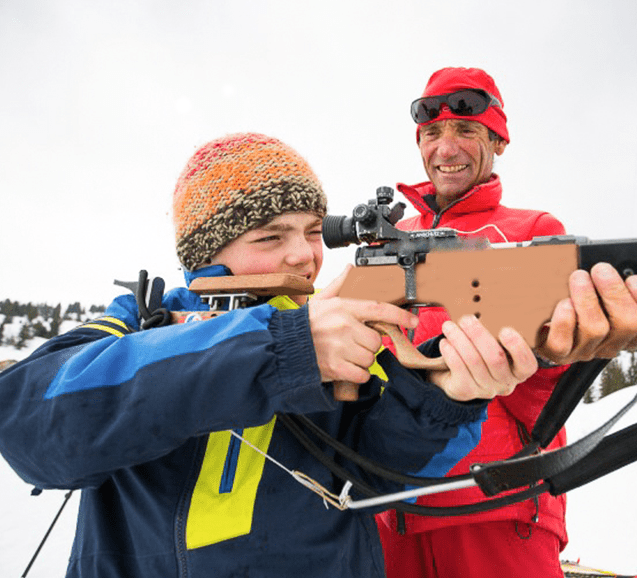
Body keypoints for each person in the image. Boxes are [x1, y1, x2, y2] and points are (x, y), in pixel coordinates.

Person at [0, 133, 541, 578]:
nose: (303, 255)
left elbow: (382, 476)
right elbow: (32, 425)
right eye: (269, 236)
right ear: (206, 251)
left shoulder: (341, 326)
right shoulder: (142, 321)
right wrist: (285, 347)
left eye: (312, 232)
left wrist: (446, 394)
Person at [376, 68, 637, 578]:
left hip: (495, 503)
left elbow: (544, 397)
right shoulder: (388, 240)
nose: (446, 148)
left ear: (498, 140)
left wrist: (559, 355)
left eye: (466, 131)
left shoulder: (531, 232)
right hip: (388, 510)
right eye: (432, 134)